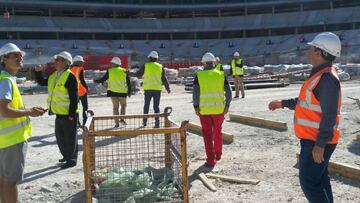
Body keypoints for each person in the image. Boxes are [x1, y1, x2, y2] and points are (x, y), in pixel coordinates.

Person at [268, 32, 342, 203]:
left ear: (320, 52)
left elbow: (329, 115)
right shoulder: (320, 75)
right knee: (320, 180)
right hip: (313, 140)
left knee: (309, 182)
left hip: (317, 142)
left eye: (312, 48)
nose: (308, 51)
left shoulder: (327, 78)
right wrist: (283, 103)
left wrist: (320, 144)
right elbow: (306, 102)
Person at [0, 43, 45, 203]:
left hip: (5, 140)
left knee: (4, 180)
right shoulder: (5, 81)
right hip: (12, 140)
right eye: (14, 56)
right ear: (4, 59)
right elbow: (4, 110)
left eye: (20, 55)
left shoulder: (6, 79)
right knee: (10, 181)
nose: (19, 58)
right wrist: (30, 112)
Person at [34, 51, 79, 169]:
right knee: (61, 137)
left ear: (65, 62)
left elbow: (74, 97)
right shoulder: (54, 75)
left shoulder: (70, 76)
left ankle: (72, 160)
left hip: (68, 113)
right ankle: (66, 156)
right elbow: (42, 82)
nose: (55, 62)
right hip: (58, 112)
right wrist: (38, 73)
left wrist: (71, 114)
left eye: (58, 60)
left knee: (70, 138)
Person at [193, 52, 232, 168]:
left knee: (207, 135)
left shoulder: (199, 75)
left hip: (204, 111)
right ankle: (218, 155)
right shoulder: (221, 74)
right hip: (219, 110)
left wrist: (196, 106)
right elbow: (229, 92)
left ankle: (211, 160)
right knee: (217, 132)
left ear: (203, 63)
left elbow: (195, 93)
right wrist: (227, 105)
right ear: (214, 62)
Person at [128, 51, 170, 128]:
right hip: (157, 89)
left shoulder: (145, 65)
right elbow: (164, 78)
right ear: (156, 58)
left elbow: (138, 74)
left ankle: (144, 122)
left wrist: (129, 73)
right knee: (156, 106)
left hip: (148, 89)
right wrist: (168, 88)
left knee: (146, 105)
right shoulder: (160, 66)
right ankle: (157, 123)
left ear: (149, 58)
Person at [93, 57, 131, 127]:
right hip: (122, 92)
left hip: (112, 92)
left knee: (115, 107)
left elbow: (103, 79)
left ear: (115, 63)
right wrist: (129, 92)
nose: (111, 64)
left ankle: (116, 123)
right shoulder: (124, 70)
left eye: (112, 63)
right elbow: (128, 82)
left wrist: (95, 81)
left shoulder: (109, 71)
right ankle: (122, 120)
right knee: (123, 106)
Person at [70, 55, 88, 126]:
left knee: (76, 108)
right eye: (81, 62)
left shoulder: (69, 69)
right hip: (82, 91)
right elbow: (82, 80)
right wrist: (86, 88)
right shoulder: (80, 69)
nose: (82, 63)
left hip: (74, 92)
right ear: (76, 62)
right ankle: (85, 121)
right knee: (85, 107)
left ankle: (77, 122)